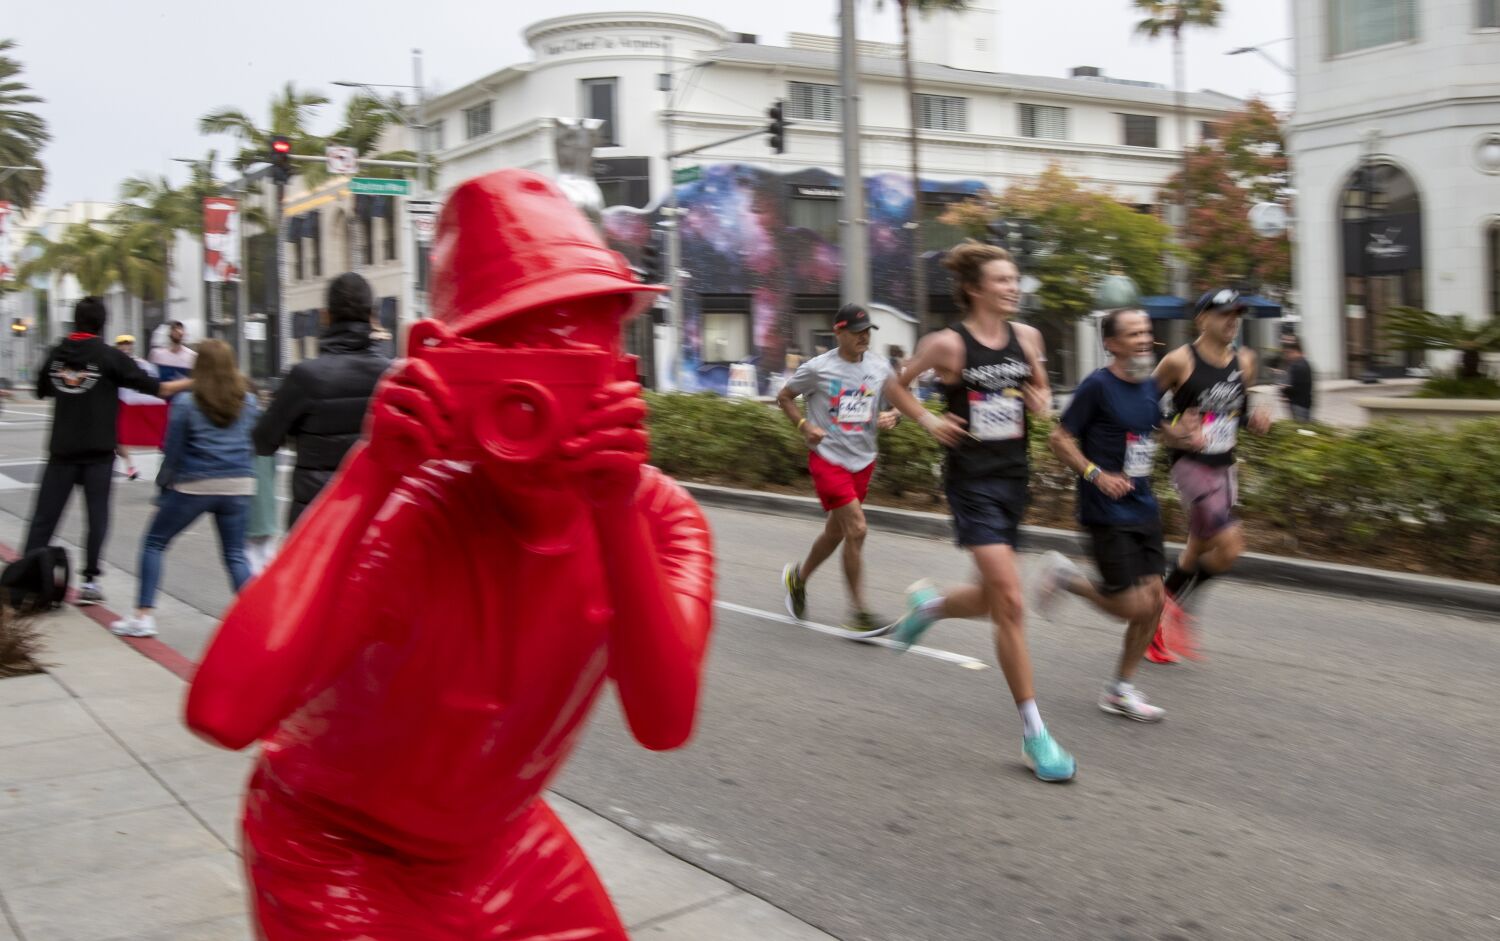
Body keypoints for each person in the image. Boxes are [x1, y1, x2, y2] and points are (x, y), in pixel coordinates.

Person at [186, 169, 714, 941]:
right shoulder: (418, 515)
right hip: (334, 847)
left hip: (499, 843)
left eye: (588, 360)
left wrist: (611, 505)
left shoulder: (657, 517)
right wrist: (368, 471)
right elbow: (224, 710)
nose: (543, 403)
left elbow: (663, 720)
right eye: (516, 371)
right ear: (447, 365)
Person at [886, 241, 1076, 783]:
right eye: (1002, 280)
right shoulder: (947, 345)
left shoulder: (1028, 337)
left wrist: (1043, 401)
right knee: (1011, 602)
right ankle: (1035, 734)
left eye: (1015, 279)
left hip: (1014, 480)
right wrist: (928, 420)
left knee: (994, 601)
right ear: (975, 288)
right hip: (971, 483)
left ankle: (930, 608)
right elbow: (894, 386)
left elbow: (1040, 390)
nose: (1014, 287)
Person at [1038, 309, 1202, 722]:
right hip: (1105, 510)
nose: (1144, 339)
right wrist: (1096, 474)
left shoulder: (1148, 385)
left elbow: (1154, 426)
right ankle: (1065, 577)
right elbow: (1059, 438)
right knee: (1131, 606)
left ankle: (1120, 689)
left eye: (1147, 332)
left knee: (1153, 605)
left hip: (1143, 507)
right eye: (1133, 334)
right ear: (1111, 343)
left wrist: (1184, 435)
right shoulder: (1098, 385)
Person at [25, 297, 191, 605]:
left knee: (44, 519)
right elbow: (159, 388)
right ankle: (90, 581)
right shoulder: (110, 357)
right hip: (98, 453)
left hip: (61, 451)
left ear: (74, 321)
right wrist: (195, 381)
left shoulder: (56, 354)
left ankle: (26, 579)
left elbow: (40, 389)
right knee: (97, 517)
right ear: (102, 324)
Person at [1148, 288, 1272, 662]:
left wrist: (1254, 421)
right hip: (1190, 467)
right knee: (1230, 546)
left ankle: (1155, 618)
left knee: (1195, 553)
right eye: (1224, 314)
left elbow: (1238, 409)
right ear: (1201, 319)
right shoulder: (1178, 362)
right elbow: (1138, 404)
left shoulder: (1245, 361)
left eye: (1237, 314)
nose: (1233, 321)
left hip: (1224, 466)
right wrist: (1171, 431)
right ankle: (1175, 611)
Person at [111, 340, 259, 638]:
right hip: (239, 484)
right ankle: (259, 620)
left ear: (198, 367)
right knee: (235, 556)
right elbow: (252, 443)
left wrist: (163, 490)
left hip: (195, 483)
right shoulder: (249, 401)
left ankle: (143, 616)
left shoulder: (187, 403)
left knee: (154, 543)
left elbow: (173, 452)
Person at [777, 304, 903, 632]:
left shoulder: (879, 367)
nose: (863, 337)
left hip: (863, 460)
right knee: (857, 529)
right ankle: (859, 614)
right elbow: (785, 396)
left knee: (835, 532)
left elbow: (897, 403)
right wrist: (804, 425)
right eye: (856, 331)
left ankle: (798, 579)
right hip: (828, 459)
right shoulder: (818, 368)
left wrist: (894, 416)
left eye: (867, 331)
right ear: (839, 332)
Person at [253, 272, 390, 529]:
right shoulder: (393, 376)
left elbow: (263, 441)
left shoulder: (305, 377)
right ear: (373, 316)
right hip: (373, 518)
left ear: (325, 316)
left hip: (315, 520)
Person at [112, 334, 165, 481]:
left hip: (129, 405)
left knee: (122, 437)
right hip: (116, 403)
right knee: (119, 438)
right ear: (117, 346)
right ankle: (130, 466)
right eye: (122, 343)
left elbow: (151, 380)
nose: (125, 346)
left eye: (128, 343)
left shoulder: (139, 363)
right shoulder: (111, 361)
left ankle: (130, 467)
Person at [1280, 336, 1314, 423]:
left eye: (1289, 353)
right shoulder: (1304, 363)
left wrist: (1284, 389)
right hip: (1304, 403)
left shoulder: (1298, 366)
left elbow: (1294, 387)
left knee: (1300, 428)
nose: (1288, 355)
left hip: (1299, 404)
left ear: (1295, 351)